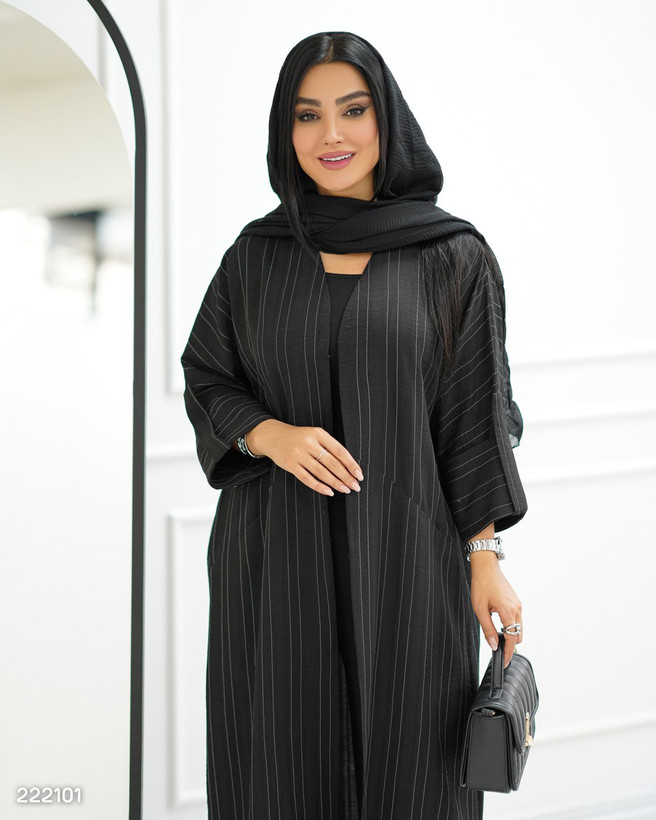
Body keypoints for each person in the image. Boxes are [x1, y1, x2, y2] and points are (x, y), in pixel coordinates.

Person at [181, 30, 528, 820]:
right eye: (307, 115)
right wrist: (270, 435)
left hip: (409, 555)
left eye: (353, 110)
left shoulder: (452, 255)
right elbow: (208, 374)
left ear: (387, 120)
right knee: (275, 760)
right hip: (271, 554)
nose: (330, 135)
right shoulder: (255, 256)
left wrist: (484, 560)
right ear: (286, 131)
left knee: (416, 767)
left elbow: (475, 415)